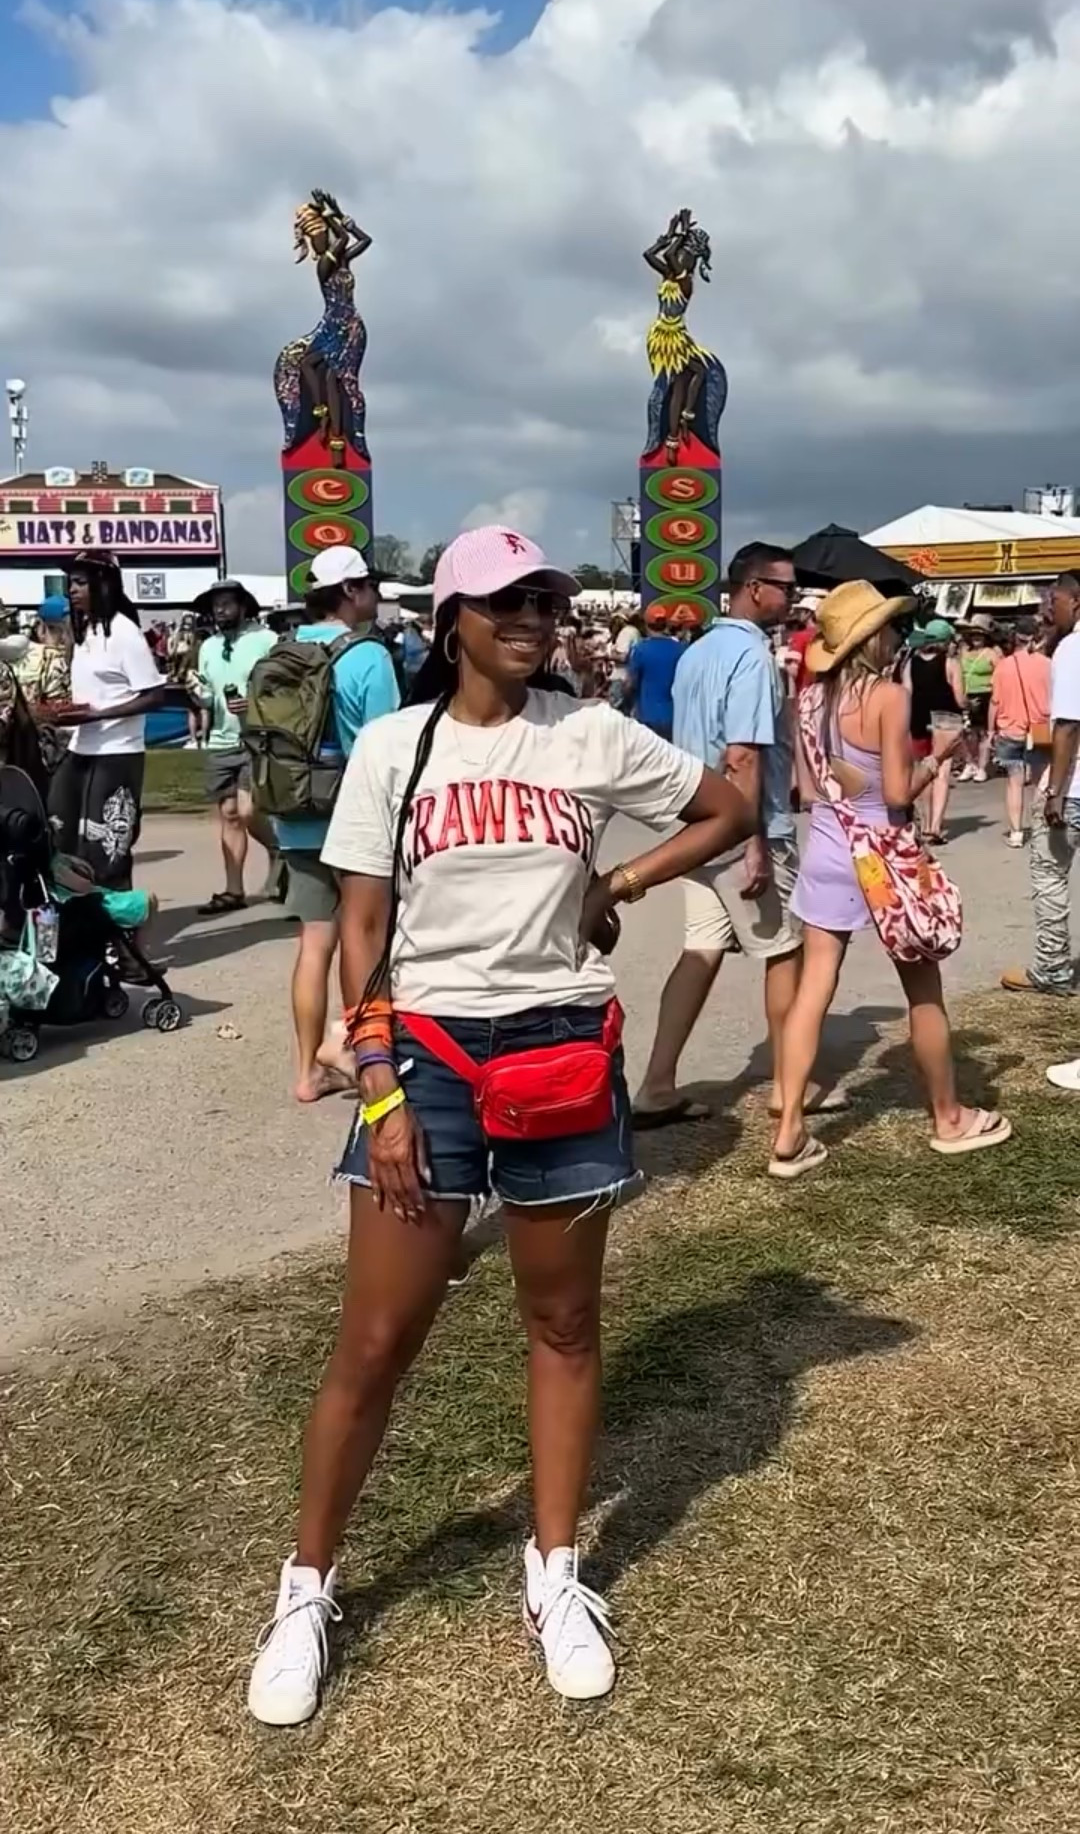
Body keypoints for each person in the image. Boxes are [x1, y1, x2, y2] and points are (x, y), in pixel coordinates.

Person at [245, 526, 753, 1726]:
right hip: (422, 1056)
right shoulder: (392, 745)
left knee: (566, 1322)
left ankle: (555, 1572)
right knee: (376, 1337)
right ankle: (306, 1589)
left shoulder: (585, 733)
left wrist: (617, 882)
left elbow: (729, 806)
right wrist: (376, 1094)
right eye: (507, 599)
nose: (534, 616)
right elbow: (362, 934)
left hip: (561, 1047)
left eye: (548, 598)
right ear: (452, 620)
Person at [771, 582, 1011, 1179]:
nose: (898, 637)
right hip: (882, 856)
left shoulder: (807, 698)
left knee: (813, 986)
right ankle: (949, 1117)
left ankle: (789, 1129)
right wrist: (943, 755)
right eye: (892, 628)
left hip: (827, 846)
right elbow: (899, 795)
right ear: (872, 637)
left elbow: (806, 789)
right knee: (922, 988)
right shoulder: (885, 697)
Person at [634, 544, 844, 1127]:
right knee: (785, 951)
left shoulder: (697, 653)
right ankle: (788, 1082)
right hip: (747, 826)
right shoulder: (751, 658)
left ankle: (656, 1081)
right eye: (787, 587)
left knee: (701, 948)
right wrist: (754, 841)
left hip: (698, 822)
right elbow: (743, 755)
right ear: (755, 588)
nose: (793, 598)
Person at [273, 549, 400, 1103]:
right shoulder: (369, 656)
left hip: (296, 811)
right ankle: (346, 1043)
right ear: (350, 592)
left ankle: (307, 1073)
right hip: (355, 816)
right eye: (369, 585)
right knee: (366, 937)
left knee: (314, 944)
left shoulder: (286, 648)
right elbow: (387, 744)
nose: (375, 595)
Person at [47, 551, 163, 889]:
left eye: (81, 583)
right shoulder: (85, 632)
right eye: (71, 583)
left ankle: (118, 925)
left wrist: (100, 715)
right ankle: (76, 918)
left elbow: (154, 695)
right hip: (81, 746)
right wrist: (66, 711)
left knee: (108, 844)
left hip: (118, 751)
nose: (72, 590)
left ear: (104, 585)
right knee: (60, 829)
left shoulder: (125, 633)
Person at [1001, 573, 1080, 998]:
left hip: (1076, 787)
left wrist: (1056, 792)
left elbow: (1067, 725)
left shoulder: (1073, 648)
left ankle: (1052, 967)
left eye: (1055, 599)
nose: (1050, 609)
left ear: (1076, 600)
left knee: (1050, 874)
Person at [193, 581, 279, 915]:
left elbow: (281, 686)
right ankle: (234, 890)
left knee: (247, 810)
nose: (220, 610)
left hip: (257, 736)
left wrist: (255, 703)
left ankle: (281, 852)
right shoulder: (208, 647)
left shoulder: (266, 640)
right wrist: (200, 699)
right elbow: (208, 694)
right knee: (228, 814)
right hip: (221, 739)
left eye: (227, 604)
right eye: (216, 605)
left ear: (243, 606)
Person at [989, 620, 1051, 847]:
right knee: (1040, 779)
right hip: (1041, 726)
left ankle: (1016, 832)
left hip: (1010, 728)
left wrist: (989, 730)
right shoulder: (1047, 664)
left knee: (1014, 782)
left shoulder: (1003, 666)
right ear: (1036, 638)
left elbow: (994, 702)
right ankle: (1041, 826)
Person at [905, 620, 966, 844]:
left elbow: (906, 693)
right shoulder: (951, 663)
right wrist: (969, 706)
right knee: (942, 772)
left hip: (918, 720)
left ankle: (924, 824)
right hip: (946, 721)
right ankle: (935, 826)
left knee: (925, 772)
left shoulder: (911, 663)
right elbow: (960, 697)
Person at [624, 603, 682, 740]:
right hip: (673, 716)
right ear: (666, 624)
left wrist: (627, 704)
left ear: (646, 624)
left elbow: (630, 684)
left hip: (646, 716)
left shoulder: (640, 649)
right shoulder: (680, 649)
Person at [955, 619, 1000, 782]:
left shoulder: (991, 653)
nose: (976, 638)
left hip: (985, 695)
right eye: (973, 634)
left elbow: (1000, 674)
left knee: (982, 734)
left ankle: (981, 767)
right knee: (966, 733)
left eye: (979, 635)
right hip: (966, 694)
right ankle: (969, 763)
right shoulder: (963, 652)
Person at [16, 597, 72, 709]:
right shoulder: (54, 663)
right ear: (40, 628)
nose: (63, 638)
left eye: (69, 631)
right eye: (55, 629)